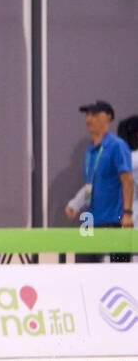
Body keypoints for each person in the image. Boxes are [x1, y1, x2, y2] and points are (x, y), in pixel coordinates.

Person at [66, 100, 133, 262]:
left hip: (113, 221)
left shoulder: (117, 146)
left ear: (108, 117)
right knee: (84, 271)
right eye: (87, 115)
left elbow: (127, 181)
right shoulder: (90, 150)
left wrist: (127, 214)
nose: (89, 118)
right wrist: (76, 204)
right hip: (89, 222)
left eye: (94, 114)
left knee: (115, 275)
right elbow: (90, 185)